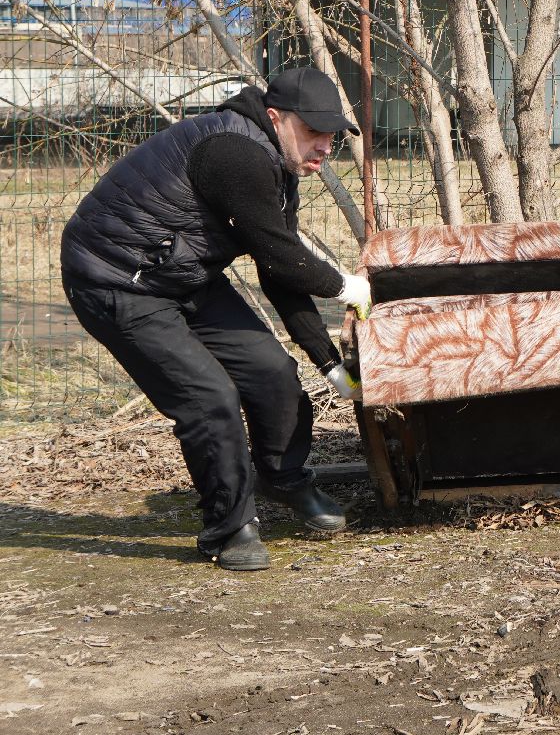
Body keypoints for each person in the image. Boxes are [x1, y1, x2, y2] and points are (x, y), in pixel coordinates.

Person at [60, 67, 373, 571]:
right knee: (209, 399)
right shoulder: (236, 154)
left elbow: (277, 271)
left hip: (182, 273)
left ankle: (282, 477)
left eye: (332, 136)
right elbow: (281, 253)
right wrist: (346, 287)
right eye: (313, 132)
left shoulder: (278, 166)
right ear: (276, 118)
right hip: (116, 279)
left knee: (272, 373)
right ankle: (230, 529)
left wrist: (329, 364)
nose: (324, 147)